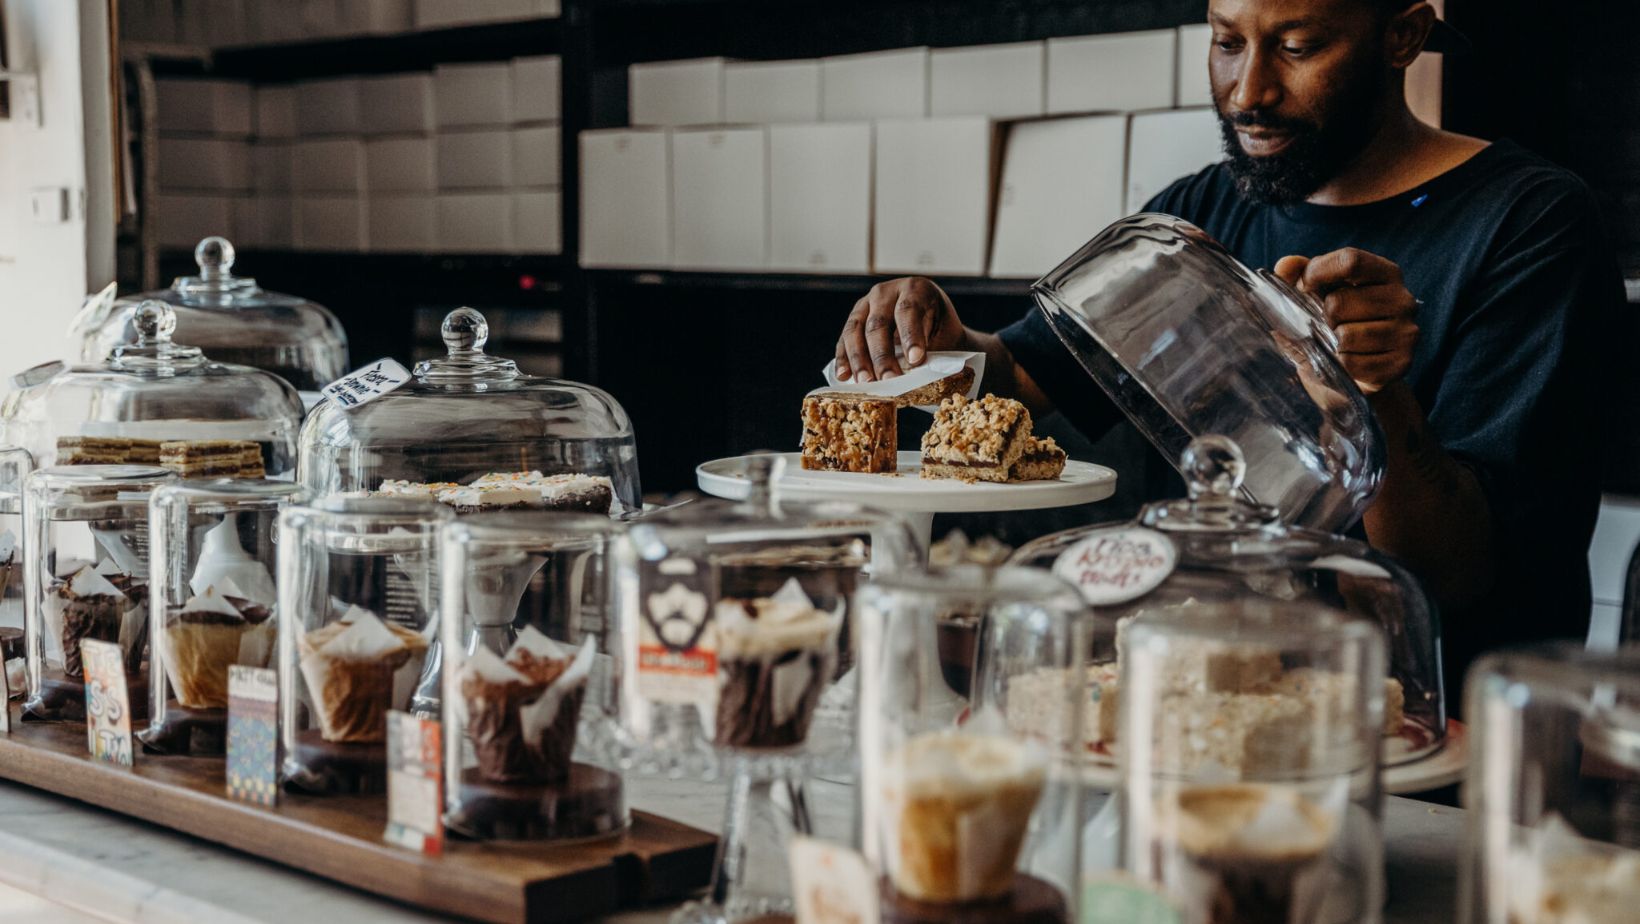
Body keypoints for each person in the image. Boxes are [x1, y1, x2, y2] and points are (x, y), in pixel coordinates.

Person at [833, 0, 1623, 692]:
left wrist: (1376, 391)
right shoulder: (1203, 209)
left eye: (1298, 46)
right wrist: (943, 343)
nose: (1250, 93)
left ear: (1402, 37)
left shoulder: (1529, 222)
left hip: (1431, 747)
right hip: (1211, 696)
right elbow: (1016, 381)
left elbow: (1448, 575)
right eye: (1226, 41)